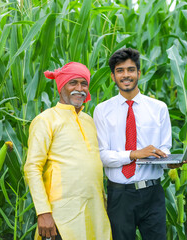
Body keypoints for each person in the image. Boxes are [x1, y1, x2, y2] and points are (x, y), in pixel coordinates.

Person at [93, 48, 187, 240]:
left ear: (139, 73)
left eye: (131, 70)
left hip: (152, 192)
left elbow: (164, 149)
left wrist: (170, 162)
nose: (126, 75)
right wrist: (133, 154)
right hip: (120, 195)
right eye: (120, 71)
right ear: (113, 76)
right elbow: (102, 156)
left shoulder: (159, 108)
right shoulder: (102, 110)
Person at [24, 62, 112, 240]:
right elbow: (32, 168)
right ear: (61, 86)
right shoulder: (46, 120)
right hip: (61, 215)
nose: (79, 88)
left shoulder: (89, 121)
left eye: (84, 84)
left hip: (95, 213)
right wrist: (43, 212)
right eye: (73, 83)